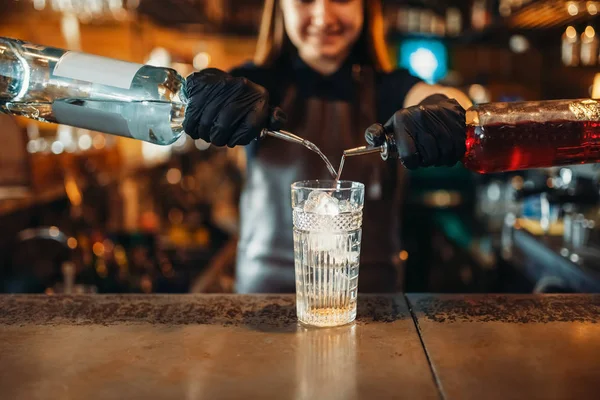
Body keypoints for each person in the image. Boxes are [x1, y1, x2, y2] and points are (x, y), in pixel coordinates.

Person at [183, 0, 471, 293]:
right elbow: (212, 93)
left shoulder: (390, 88)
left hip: (374, 306)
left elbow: (441, 96)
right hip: (262, 302)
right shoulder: (256, 87)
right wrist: (203, 95)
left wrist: (448, 110)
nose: (323, 15)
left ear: (366, 8)